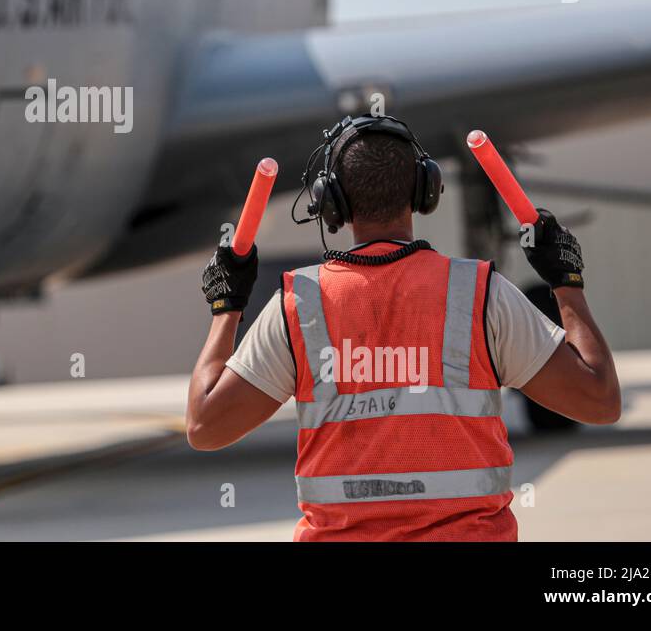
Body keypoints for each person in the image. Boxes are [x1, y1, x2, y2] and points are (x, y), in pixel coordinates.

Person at [185, 114, 620, 541]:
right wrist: (566, 281)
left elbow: (205, 428)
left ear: (331, 202)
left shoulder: (299, 303)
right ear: (424, 190)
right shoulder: (480, 293)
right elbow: (599, 402)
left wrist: (228, 305)